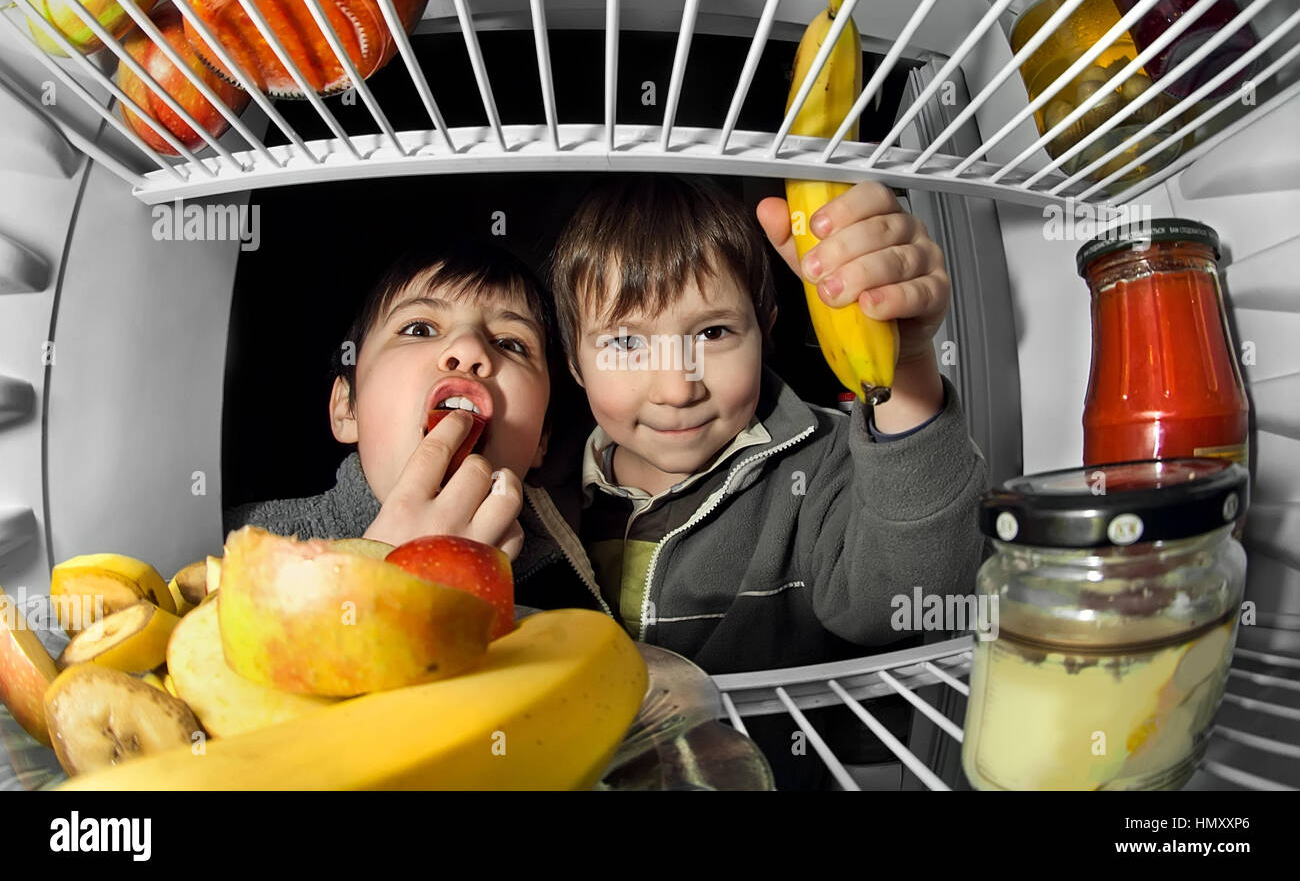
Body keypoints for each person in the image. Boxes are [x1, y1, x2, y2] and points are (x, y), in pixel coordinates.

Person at [515, 173, 990, 789]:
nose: (676, 387)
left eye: (712, 333)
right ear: (575, 361)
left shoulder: (828, 463)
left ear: (764, 331)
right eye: (627, 341)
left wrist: (909, 377)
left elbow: (910, 600)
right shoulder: (533, 495)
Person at [222, 242, 562, 557]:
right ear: (347, 409)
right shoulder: (241, 548)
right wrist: (391, 566)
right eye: (419, 330)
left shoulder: (571, 584)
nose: (469, 349)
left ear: (542, 438)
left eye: (510, 344)